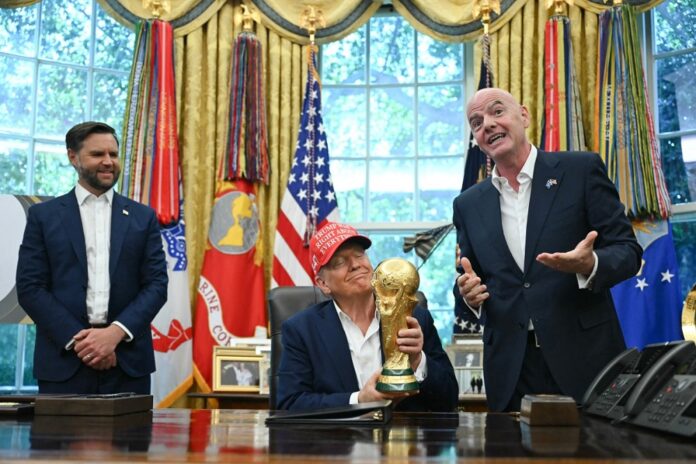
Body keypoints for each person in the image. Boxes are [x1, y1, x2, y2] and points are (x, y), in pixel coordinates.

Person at [453, 88, 642, 412]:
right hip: (511, 371)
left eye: (497, 111)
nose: (488, 124)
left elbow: (628, 250)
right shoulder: (467, 205)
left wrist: (590, 264)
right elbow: (468, 279)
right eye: (476, 122)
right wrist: (468, 295)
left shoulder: (580, 170)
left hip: (586, 360)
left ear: (524, 115)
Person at [16, 121, 168, 394]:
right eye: (98, 154)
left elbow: (156, 286)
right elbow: (31, 288)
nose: (108, 161)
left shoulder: (143, 217)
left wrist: (114, 334)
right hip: (64, 362)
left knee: (132, 427)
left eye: (113, 154)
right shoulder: (43, 216)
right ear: (73, 157)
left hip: (127, 362)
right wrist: (83, 343)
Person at [277, 222, 458, 411]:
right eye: (340, 262)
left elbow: (450, 400)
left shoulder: (415, 318)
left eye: (359, 255)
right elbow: (290, 404)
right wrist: (359, 400)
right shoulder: (302, 330)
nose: (356, 265)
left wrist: (418, 361)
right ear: (323, 284)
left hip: (404, 428)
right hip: (341, 430)